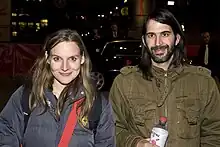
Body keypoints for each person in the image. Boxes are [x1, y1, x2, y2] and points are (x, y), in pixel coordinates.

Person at [109, 8, 220, 147]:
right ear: (144, 41)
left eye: (165, 34)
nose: (158, 43)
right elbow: (113, 130)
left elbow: (214, 134)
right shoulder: (124, 83)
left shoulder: (203, 82)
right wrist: (136, 143)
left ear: (177, 39)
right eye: (151, 35)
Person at [0, 29, 115, 147]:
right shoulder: (26, 95)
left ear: (82, 59)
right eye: (57, 59)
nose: (65, 67)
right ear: (47, 58)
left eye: (72, 59)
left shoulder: (98, 104)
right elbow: (6, 133)